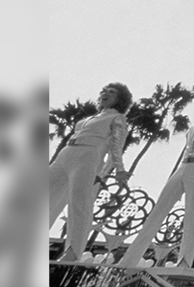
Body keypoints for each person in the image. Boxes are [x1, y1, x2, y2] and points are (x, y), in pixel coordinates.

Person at [116, 99, 194, 269]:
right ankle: (130, 258)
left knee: (192, 212)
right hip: (183, 166)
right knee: (158, 210)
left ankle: (184, 261)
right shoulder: (192, 130)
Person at [49, 83, 132, 261]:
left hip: (87, 156)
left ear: (120, 100)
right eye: (104, 91)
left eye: (112, 92)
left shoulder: (118, 118)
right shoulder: (93, 117)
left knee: (79, 202)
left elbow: (116, 144)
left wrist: (118, 170)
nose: (105, 93)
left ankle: (73, 251)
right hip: (66, 154)